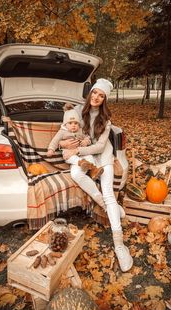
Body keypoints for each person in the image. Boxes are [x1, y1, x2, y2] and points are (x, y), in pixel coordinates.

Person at [60, 78, 133, 272]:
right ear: (90, 93)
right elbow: (65, 130)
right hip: (88, 157)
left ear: (104, 99)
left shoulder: (105, 119)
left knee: (108, 191)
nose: (96, 97)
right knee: (76, 173)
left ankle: (119, 245)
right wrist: (64, 144)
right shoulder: (76, 111)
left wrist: (76, 152)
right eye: (95, 93)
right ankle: (110, 207)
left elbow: (101, 146)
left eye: (101, 96)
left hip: (104, 157)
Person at [47, 104, 105, 209]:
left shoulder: (80, 130)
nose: (73, 125)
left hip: (82, 152)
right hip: (70, 155)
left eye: (75, 123)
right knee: (71, 158)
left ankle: (93, 170)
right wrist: (51, 149)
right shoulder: (62, 132)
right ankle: (82, 164)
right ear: (65, 124)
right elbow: (55, 141)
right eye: (70, 123)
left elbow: (87, 138)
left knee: (89, 156)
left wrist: (85, 141)